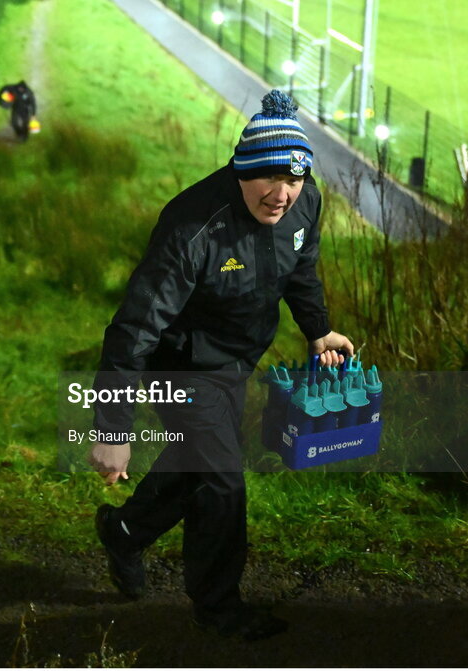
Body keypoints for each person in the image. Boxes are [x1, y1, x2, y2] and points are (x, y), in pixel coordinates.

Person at [87, 90, 354, 641]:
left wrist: (318, 328)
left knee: (197, 463)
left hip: (238, 359)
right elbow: (135, 328)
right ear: (242, 169)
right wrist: (112, 427)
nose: (282, 195)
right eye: (269, 180)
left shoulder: (304, 204)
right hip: (180, 366)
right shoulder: (193, 226)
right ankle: (217, 607)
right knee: (222, 480)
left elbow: (300, 271)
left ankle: (125, 532)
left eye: (296, 180)